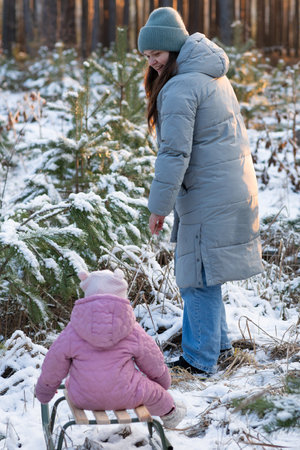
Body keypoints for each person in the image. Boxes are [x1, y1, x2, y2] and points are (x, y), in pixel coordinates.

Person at [138, 7, 263, 377]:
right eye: (146, 56)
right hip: (227, 187)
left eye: (156, 54)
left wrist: (158, 206)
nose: (152, 62)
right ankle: (219, 348)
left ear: (173, 48)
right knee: (205, 274)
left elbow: (174, 153)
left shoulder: (180, 86)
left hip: (210, 194)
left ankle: (199, 360)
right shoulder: (210, 74)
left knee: (197, 277)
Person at [35, 268, 186, 428]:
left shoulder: (74, 329)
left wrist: (44, 392)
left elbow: (54, 362)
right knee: (155, 393)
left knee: (73, 380)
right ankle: (171, 415)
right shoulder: (131, 329)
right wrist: (162, 382)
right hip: (128, 394)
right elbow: (152, 360)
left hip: (82, 397)